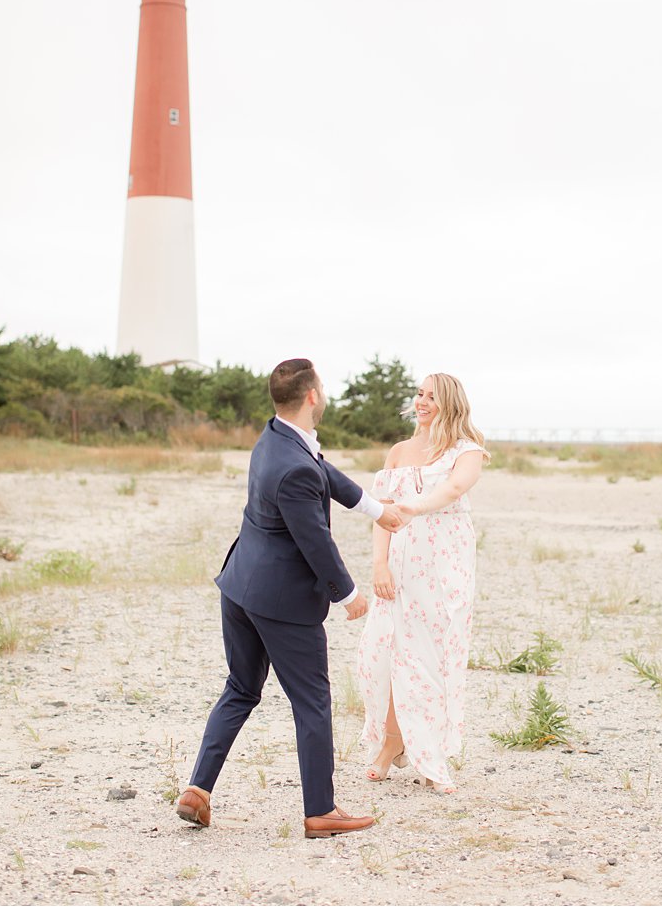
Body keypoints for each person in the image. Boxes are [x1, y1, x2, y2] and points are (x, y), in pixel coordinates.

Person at [177, 358, 405, 838]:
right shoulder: (294, 467)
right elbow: (315, 540)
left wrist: (377, 510)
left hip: (240, 587)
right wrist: (349, 595)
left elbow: (325, 473)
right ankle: (320, 811)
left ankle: (198, 790)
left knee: (240, 688)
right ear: (313, 396)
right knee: (313, 701)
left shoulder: (275, 439)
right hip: (280, 601)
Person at [356, 372, 488, 794]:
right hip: (400, 559)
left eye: (432, 396)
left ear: (449, 403)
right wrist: (379, 564)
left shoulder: (467, 451)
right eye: (419, 394)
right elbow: (383, 512)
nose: (423, 402)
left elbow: (452, 490)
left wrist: (409, 508)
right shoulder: (398, 452)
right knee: (385, 652)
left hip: (444, 564)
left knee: (429, 656)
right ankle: (391, 743)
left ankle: (429, 755)